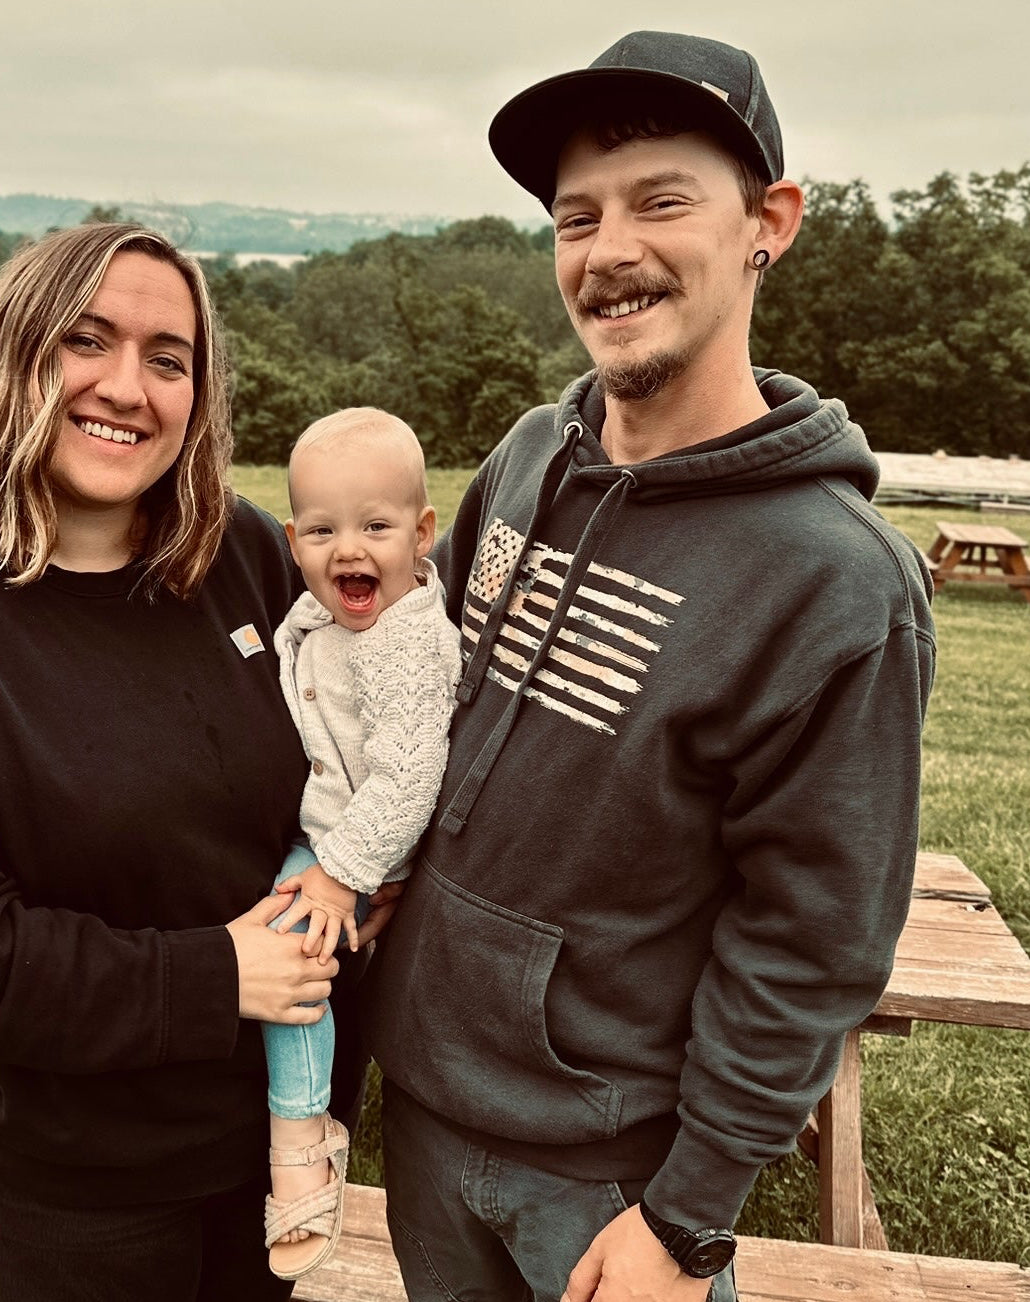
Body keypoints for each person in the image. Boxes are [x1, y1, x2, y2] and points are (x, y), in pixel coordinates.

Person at [367, 30, 936, 1302]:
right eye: (576, 217)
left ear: (767, 223)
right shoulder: (527, 452)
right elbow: (421, 697)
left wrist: (686, 1219)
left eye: (661, 199)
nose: (608, 249)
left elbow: (814, 940)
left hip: (610, 1182)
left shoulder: (837, 583)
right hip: (427, 1114)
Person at [0, 222, 392, 1302]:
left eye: (168, 359)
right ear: (19, 356)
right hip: (74, 1203)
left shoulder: (249, 559)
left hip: (276, 1163)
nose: (128, 387)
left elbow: (351, 752)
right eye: (88, 341)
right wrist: (216, 976)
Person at [259, 408, 461, 1279]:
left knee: (291, 948)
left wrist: (340, 878)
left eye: (376, 527)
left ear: (422, 535)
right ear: (292, 540)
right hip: (332, 834)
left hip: (363, 848)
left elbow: (410, 774)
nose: (350, 549)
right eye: (321, 530)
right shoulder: (322, 621)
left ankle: (300, 1128)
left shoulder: (408, 643)